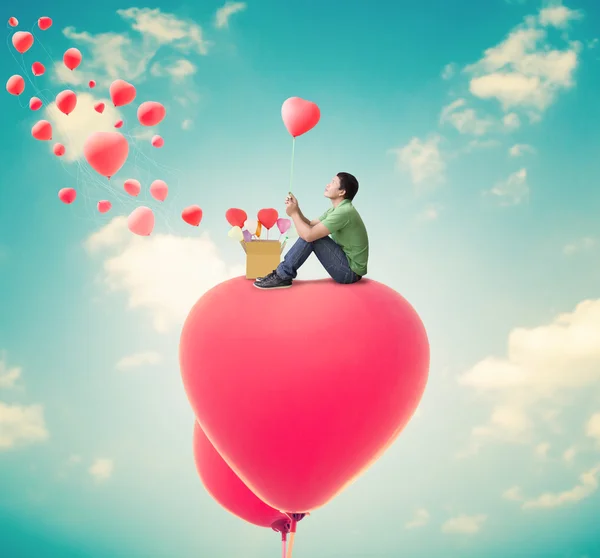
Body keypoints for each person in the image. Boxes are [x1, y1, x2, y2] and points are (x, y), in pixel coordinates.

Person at [254, 171, 368, 289]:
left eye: (333, 182)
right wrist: (296, 209)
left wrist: (293, 214)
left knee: (313, 237)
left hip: (350, 273)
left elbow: (309, 235)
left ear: (342, 192)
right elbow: (310, 224)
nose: (328, 185)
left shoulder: (344, 212)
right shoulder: (336, 209)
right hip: (347, 266)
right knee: (312, 234)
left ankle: (282, 275)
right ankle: (282, 274)